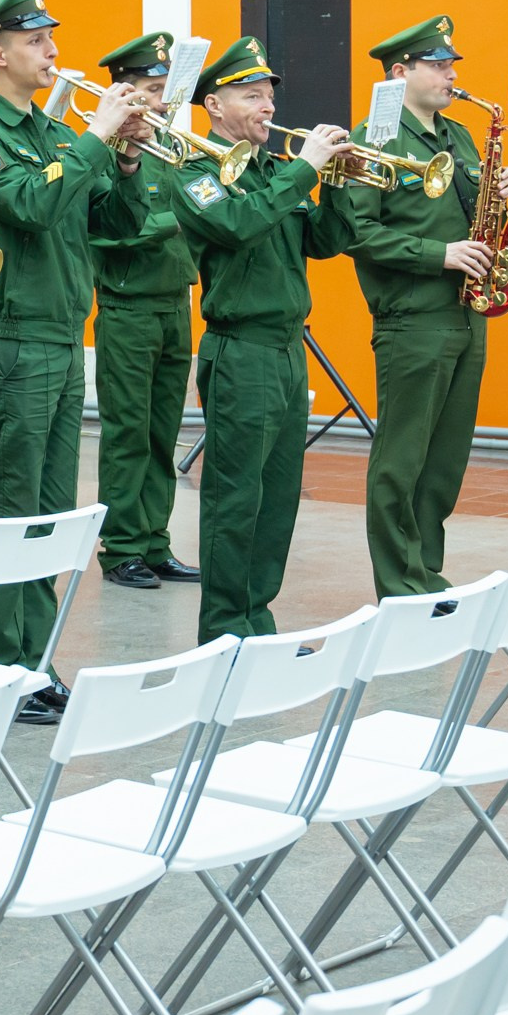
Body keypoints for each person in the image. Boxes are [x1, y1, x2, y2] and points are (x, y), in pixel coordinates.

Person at [0, 0, 134, 724]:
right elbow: (29, 203)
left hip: (60, 338)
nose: (53, 51)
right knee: (13, 510)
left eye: (49, 38)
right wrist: (94, 139)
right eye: (35, 41)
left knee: (50, 520)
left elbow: (111, 221)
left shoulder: (53, 135)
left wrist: (119, 159)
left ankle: (34, 657)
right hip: (13, 341)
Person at [164, 37, 353, 641]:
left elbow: (323, 242)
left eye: (270, 95)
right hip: (239, 348)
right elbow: (235, 224)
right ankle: (224, 629)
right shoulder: (195, 170)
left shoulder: (275, 170)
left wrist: (343, 183)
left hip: (287, 349)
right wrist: (306, 169)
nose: (267, 107)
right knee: (235, 497)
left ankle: (257, 618)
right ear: (214, 106)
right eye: (252, 96)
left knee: (277, 500)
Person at [343, 15, 508, 598]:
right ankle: (398, 582)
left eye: (452, 64)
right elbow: (356, 230)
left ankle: (426, 571)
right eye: (438, 65)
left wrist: (497, 194)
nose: (450, 74)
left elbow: (470, 217)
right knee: (401, 457)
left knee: (444, 459)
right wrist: (438, 254)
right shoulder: (374, 138)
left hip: (466, 312)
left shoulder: (460, 136)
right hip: (412, 316)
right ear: (400, 72)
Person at [87, 33, 204, 591]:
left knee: (163, 431)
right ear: (125, 92)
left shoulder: (171, 149)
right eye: (153, 90)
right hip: (127, 307)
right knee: (128, 433)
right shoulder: (107, 152)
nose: (163, 101)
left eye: (164, 89)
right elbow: (102, 236)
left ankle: (156, 541)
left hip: (174, 304)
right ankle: (122, 547)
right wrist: (167, 226)